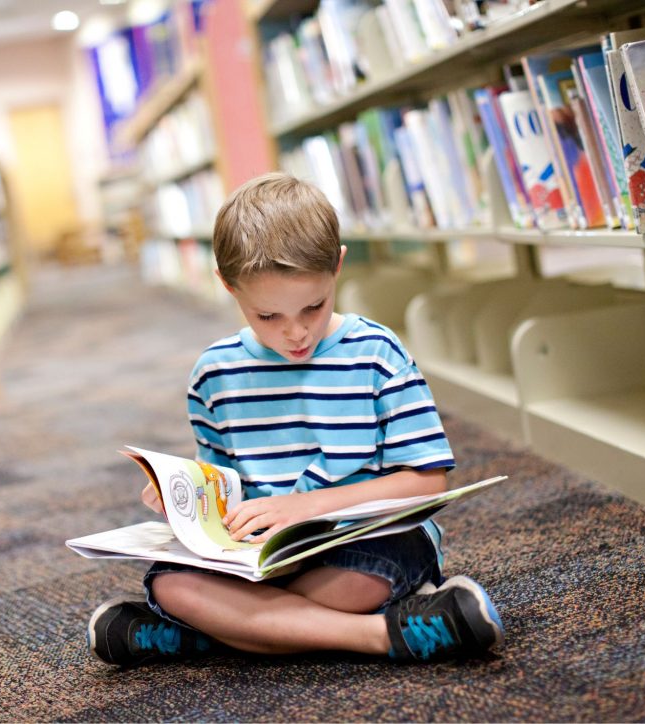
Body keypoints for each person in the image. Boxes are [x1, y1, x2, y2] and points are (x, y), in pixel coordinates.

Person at [88, 173, 504, 666]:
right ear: (227, 285)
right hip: (262, 557)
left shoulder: (376, 353)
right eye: (268, 317)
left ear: (338, 267)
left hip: (366, 539)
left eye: (314, 306)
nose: (296, 333)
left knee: (357, 585)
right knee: (175, 584)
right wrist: (187, 497)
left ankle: (212, 634)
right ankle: (386, 633)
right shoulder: (215, 374)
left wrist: (304, 507)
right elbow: (227, 488)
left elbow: (427, 480)